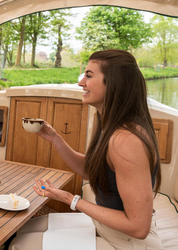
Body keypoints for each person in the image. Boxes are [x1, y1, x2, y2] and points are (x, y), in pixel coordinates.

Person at [11, 50, 162, 250]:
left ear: (114, 83)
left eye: (89, 75)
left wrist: (69, 199)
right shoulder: (107, 123)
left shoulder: (127, 140)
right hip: (106, 226)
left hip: (126, 241)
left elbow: (138, 227)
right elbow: (93, 172)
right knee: (25, 227)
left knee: (19, 245)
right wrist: (55, 139)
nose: (81, 82)